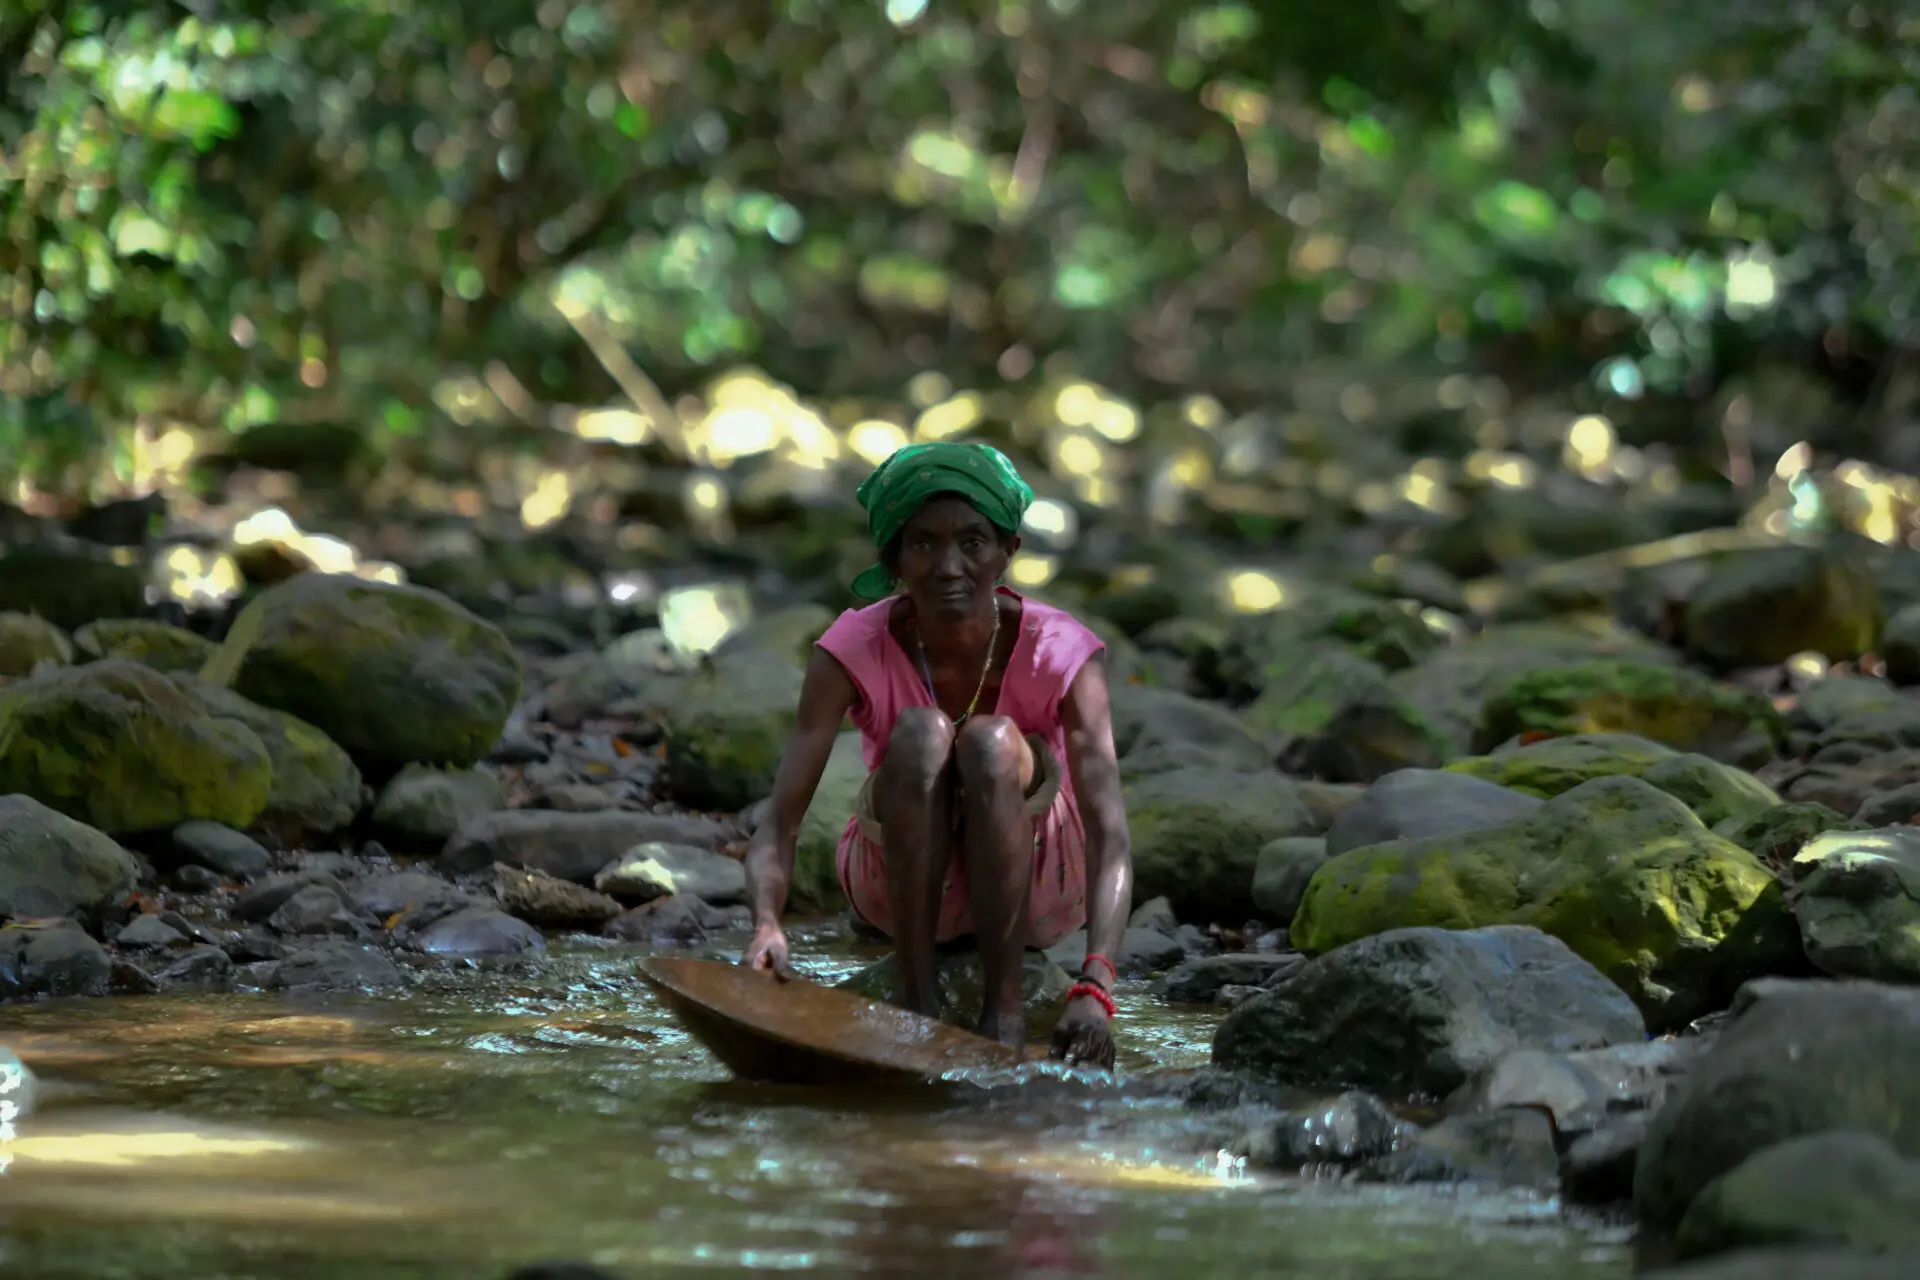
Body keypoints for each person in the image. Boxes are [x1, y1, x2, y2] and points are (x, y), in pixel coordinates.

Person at [740, 440, 1133, 1069]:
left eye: (972, 542)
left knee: (988, 741)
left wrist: (1095, 985)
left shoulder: (1062, 651)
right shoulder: (851, 648)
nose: (948, 565)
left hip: (1039, 885)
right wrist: (766, 923)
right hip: (893, 882)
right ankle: (915, 1001)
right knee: (922, 733)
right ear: (895, 557)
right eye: (923, 543)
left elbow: (1110, 834)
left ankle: (1003, 1017)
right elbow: (781, 821)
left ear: (1009, 551)